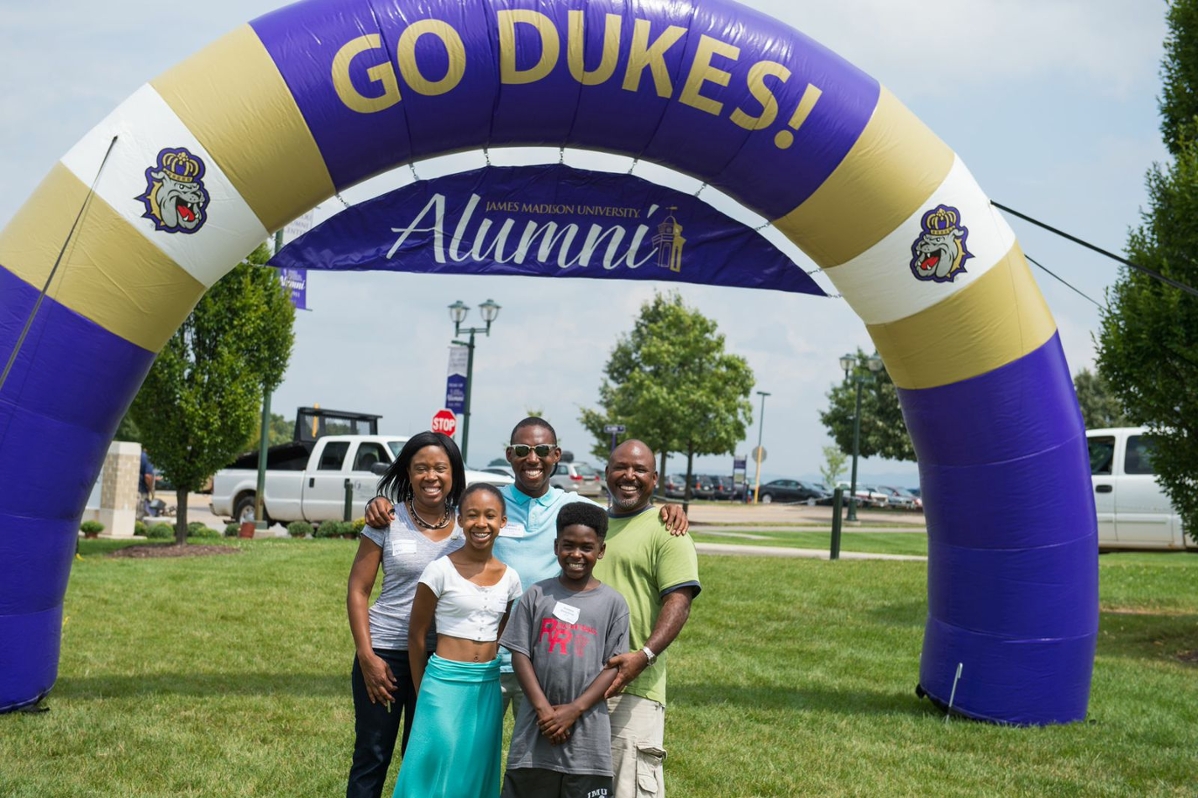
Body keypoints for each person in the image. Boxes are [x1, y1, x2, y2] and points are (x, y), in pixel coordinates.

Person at [364, 418, 689, 723]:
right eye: (522, 451)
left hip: (544, 661)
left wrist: (665, 510)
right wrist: (380, 503)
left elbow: (622, 511)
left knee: (539, 755)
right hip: (485, 658)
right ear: (509, 455)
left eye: (543, 451)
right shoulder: (489, 505)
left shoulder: (574, 508)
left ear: (556, 456)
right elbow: (437, 508)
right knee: (473, 751)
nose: (532, 458)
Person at [345, 431, 467, 798]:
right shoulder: (387, 519)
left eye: (440, 468)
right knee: (373, 753)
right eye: (421, 469)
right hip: (386, 653)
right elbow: (358, 589)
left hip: (442, 658)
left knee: (427, 756)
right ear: (409, 474)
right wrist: (367, 657)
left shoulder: (468, 525)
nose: (431, 476)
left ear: (454, 474)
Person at [392, 482, 523, 798]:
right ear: (460, 520)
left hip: (487, 685)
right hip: (444, 683)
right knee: (435, 765)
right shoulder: (439, 571)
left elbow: (502, 628)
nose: (481, 523)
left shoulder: (511, 578)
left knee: (476, 765)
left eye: (490, 516)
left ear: (502, 522)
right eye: (472, 515)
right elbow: (417, 634)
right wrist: (424, 688)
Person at [499, 502, 630, 798]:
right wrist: (544, 710)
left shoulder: (614, 604)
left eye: (587, 547)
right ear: (556, 546)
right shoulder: (536, 595)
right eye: (568, 545)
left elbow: (613, 666)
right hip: (534, 738)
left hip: (587, 746)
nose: (576, 555)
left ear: (601, 550)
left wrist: (574, 710)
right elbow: (520, 653)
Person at [597, 439, 700, 798]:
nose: (629, 476)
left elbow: (679, 602)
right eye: (620, 467)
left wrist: (643, 657)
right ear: (606, 474)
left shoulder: (667, 530)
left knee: (629, 789)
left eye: (639, 469)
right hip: (580, 688)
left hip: (636, 689)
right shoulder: (591, 527)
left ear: (654, 479)